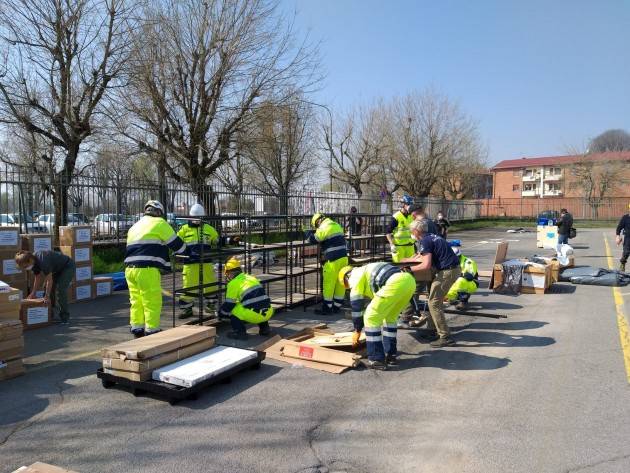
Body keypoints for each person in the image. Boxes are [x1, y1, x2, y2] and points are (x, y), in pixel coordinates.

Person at [125, 200, 186, 338]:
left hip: (129, 269)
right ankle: (152, 331)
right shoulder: (160, 223)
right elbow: (178, 245)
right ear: (159, 212)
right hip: (146, 269)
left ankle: (137, 329)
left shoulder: (134, 226)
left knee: (136, 300)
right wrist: (189, 251)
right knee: (151, 300)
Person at [340, 262, 416, 370]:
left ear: (346, 278)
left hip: (395, 283)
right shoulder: (364, 270)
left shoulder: (354, 276)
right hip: (409, 281)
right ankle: (391, 355)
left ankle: (376, 359)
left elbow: (356, 306)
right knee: (390, 318)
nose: (350, 288)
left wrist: (357, 330)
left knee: (370, 317)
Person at [406, 218, 461, 347]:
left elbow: (426, 264)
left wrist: (408, 269)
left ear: (416, 231)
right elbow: (422, 255)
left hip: (448, 271)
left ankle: (445, 336)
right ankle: (431, 329)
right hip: (451, 269)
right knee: (434, 301)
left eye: (411, 231)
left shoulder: (425, 240)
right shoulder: (432, 237)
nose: (411, 234)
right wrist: (408, 260)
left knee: (434, 303)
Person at [177, 203, 219, 319]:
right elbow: (176, 243)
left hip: (206, 262)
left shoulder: (208, 228)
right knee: (189, 286)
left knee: (210, 284)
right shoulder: (184, 230)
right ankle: (187, 309)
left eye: (199, 218)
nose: (197, 220)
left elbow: (216, 240)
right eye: (194, 218)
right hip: (190, 263)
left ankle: (211, 305)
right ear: (190, 217)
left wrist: (224, 241)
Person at [219, 257, 274, 340]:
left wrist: (221, 313)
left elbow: (229, 304)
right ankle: (265, 329)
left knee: (234, 310)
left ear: (229, 273)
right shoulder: (251, 277)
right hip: (268, 312)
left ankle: (239, 333)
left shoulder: (233, 283)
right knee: (258, 305)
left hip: (254, 315)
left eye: (227, 274)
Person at [14, 250, 75, 324]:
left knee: (61, 290)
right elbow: (38, 277)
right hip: (56, 269)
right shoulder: (33, 262)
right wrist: (33, 292)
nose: (26, 268)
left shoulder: (43, 260)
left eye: (26, 266)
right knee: (46, 288)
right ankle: (49, 315)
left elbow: (49, 280)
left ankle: (64, 317)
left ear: (30, 260)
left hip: (67, 266)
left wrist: (47, 295)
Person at [306, 213, 349, 315]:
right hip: (344, 257)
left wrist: (307, 233)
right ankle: (337, 306)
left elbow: (313, 239)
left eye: (316, 226)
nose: (317, 227)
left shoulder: (324, 227)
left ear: (318, 222)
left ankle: (327, 308)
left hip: (333, 260)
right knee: (340, 282)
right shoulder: (336, 225)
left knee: (329, 283)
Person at [386, 195, 415, 263]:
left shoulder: (412, 216)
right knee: (399, 268)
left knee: (411, 267)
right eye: (408, 204)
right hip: (399, 247)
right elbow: (388, 232)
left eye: (411, 205)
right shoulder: (396, 217)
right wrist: (391, 244)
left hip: (410, 246)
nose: (410, 206)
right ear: (403, 205)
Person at [616, 203, 630, 272]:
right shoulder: (625, 218)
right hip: (628, 238)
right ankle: (622, 263)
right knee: (626, 252)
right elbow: (619, 227)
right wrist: (618, 236)